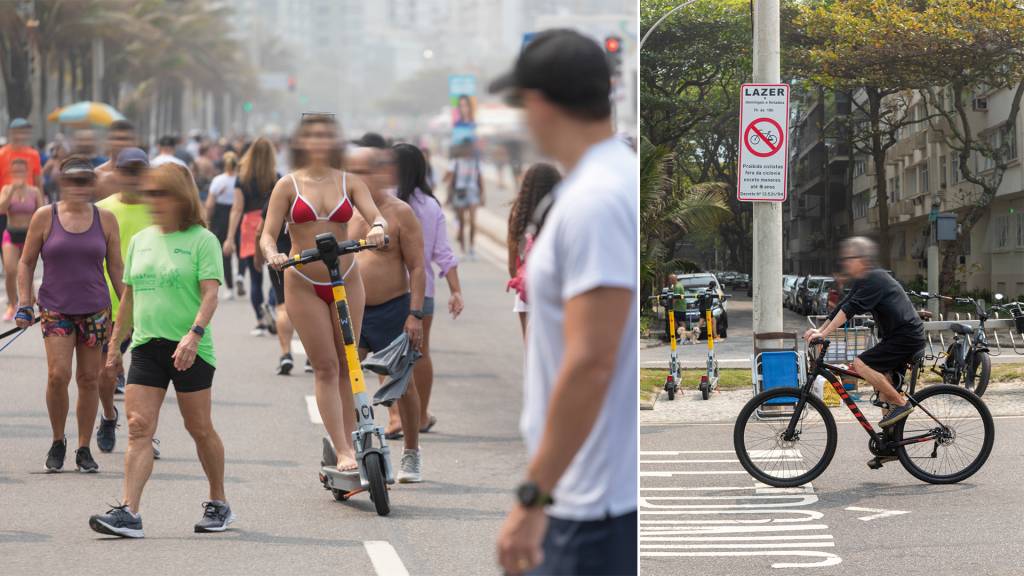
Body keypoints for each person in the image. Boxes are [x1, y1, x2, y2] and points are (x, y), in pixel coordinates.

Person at [489, 29, 638, 575]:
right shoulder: (594, 186)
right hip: (587, 493)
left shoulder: (595, 199)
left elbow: (591, 361)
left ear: (540, 103)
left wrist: (534, 498)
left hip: (589, 503)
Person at [89, 163, 232, 538]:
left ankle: (219, 501)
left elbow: (211, 293)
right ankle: (129, 513)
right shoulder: (141, 240)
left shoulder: (203, 240)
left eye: (159, 194)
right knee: (138, 429)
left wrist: (194, 335)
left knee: (199, 428)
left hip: (190, 348)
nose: (151, 201)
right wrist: (115, 344)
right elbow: (130, 296)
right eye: (149, 193)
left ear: (180, 197)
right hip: (147, 346)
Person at [261, 113, 387, 472]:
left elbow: (377, 217)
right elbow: (269, 234)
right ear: (301, 141)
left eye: (326, 134)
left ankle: (355, 438)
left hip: (346, 276)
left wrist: (377, 229)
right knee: (327, 367)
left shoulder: (351, 181)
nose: (319, 140)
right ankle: (343, 447)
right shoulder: (287, 184)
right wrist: (274, 254)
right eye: (311, 134)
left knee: (351, 363)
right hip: (302, 279)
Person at [15, 156, 123, 473]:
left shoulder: (106, 220)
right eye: (73, 181)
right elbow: (25, 262)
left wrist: (130, 311)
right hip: (55, 308)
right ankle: (58, 439)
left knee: (89, 379)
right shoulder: (44, 217)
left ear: (93, 184)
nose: (79, 187)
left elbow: (116, 269)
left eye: (85, 181)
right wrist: (24, 301)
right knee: (57, 375)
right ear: (62, 183)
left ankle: (84, 447)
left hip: (95, 310)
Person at [347, 142, 426, 482]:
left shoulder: (400, 212)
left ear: (382, 173)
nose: (358, 178)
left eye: (365, 171)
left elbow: (418, 267)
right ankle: (353, 452)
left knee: (403, 384)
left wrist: (415, 314)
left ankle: (411, 453)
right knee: (346, 382)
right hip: (353, 308)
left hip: (393, 309)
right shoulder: (343, 212)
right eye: (353, 171)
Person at [804, 236, 925, 428]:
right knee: (884, 383)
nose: (845, 263)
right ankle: (890, 445)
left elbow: (850, 310)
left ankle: (902, 404)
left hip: (906, 337)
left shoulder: (876, 279)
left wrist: (824, 335)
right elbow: (843, 306)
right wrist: (819, 330)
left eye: (848, 259)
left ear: (861, 259)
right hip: (896, 337)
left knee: (860, 364)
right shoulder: (864, 280)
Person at [392, 142, 463, 435]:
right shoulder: (431, 205)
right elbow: (443, 253)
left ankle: (396, 417)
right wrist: (456, 290)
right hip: (426, 291)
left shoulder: (385, 202)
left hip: (389, 290)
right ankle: (420, 416)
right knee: (421, 352)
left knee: (390, 353)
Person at [94, 148, 155, 454]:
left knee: (148, 378)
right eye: (127, 170)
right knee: (106, 372)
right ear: (116, 172)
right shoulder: (101, 210)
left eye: (138, 170)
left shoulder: (159, 210)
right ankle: (108, 415)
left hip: (150, 305)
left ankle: (144, 431)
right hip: (108, 305)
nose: (133, 177)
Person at [224, 138, 277, 335]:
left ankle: (260, 321)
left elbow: (236, 209)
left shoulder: (242, 178)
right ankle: (272, 302)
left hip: (248, 227)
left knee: (255, 278)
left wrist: (230, 237)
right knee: (277, 274)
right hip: (270, 224)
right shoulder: (276, 177)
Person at [506, 162, 561, 338]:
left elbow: (511, 261)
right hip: (555, 292)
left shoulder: (518, 211)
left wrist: (520, 282)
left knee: (531, 354)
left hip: (526, 289)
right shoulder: (560, 210)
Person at [1, 159, 46, 321]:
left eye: (21, 171)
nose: (18, 175)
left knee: (28, 270)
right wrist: (12, 192)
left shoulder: (34, 191)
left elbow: (42, 211)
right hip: (11, 234)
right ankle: (12, 305)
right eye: (15, 172)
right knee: (11, 270)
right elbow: (1, 209)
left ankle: (28, 302)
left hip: (29, 235)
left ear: (27, 173)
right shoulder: (7, 189)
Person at [0, 118, 43, 271]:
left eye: (24, 131)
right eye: (18, 131)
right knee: (8, 260)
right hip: (6, 206)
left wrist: (41, 208)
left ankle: (26, 287)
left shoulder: (33, 154)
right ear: (11, 133)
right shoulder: (2, 154)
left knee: (27, 259)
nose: (20, 135)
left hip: (28, 205)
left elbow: (38, 182)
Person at [205, 151, 239, 299]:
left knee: (224, 253)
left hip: (221, 216)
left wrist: (207, 220)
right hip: (239, 213)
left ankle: (230, 287)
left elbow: (210, 204)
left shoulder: (218, 180)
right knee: (242, 249)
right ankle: (241, 275)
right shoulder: (240, 180)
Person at [442, 139, 484, 259]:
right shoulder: (455, 162)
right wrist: (448, 195)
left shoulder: (476, 162)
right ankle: (462, 249)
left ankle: (471, 248)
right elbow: (448, 178)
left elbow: (480, 179)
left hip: (472, 192)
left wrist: (482, 195)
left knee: (472, 222)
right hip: (459, 193)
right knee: (461, 223)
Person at [95, 120, 137, 200]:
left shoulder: (146, 174)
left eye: (125, 139)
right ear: (107, 142)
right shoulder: (97, 176)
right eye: (116, 139)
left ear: (135, 142)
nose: (121, 143)